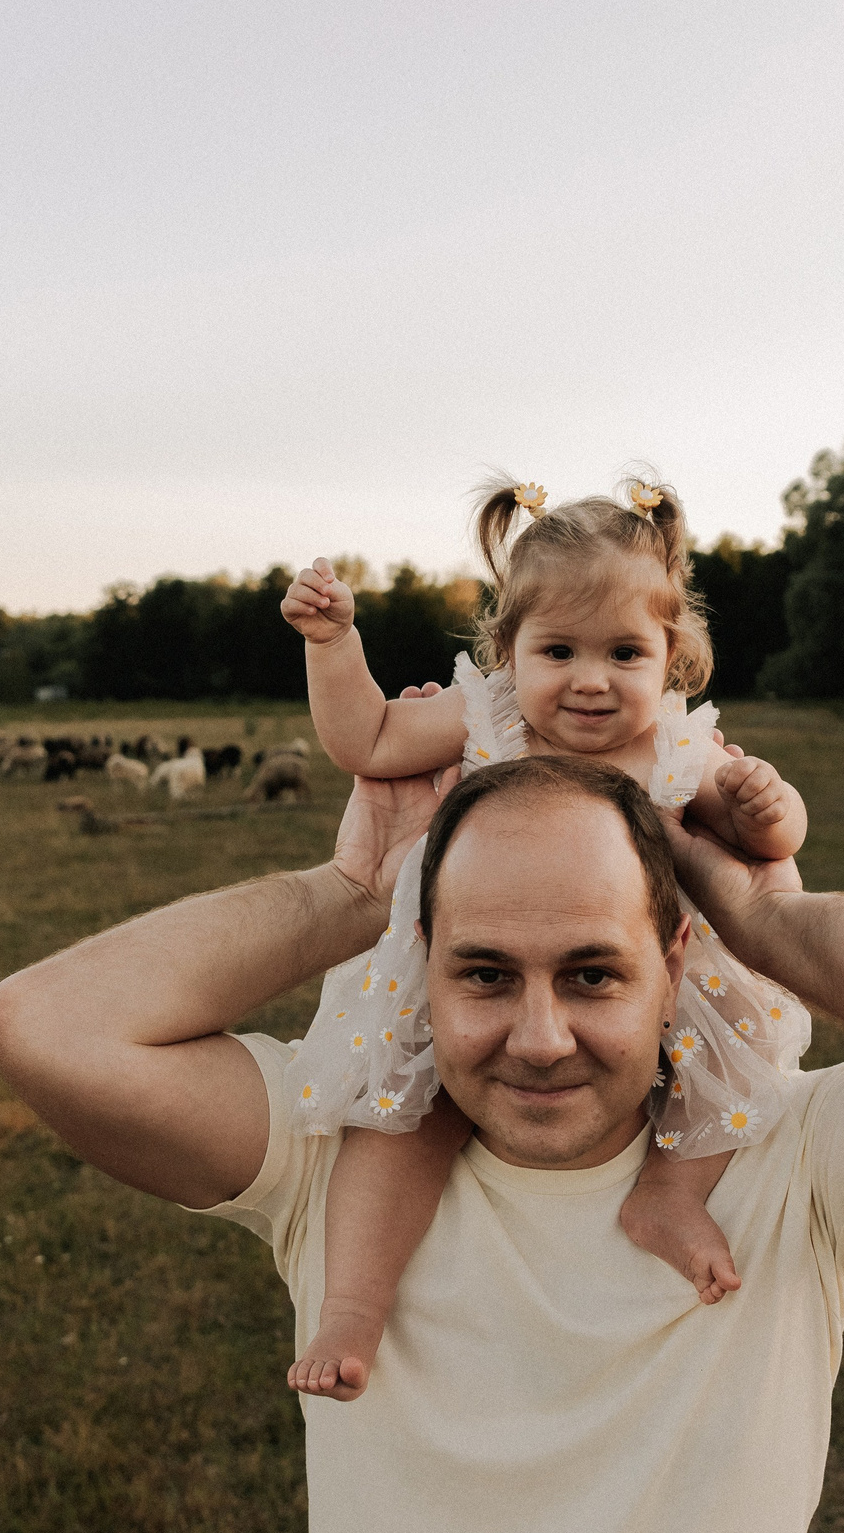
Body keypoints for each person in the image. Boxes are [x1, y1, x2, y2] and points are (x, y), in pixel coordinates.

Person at [0, 751, 844, 1533]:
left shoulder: (788, 1159)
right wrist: (351, 891)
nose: (538, 1038)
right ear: (422, 970)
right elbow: (44, 1026)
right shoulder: (335, 1157)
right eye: (485, 974)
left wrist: (771, 923)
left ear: (674, 971)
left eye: (593, 973)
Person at [276, 474, 809, 1401]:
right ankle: (353, 1301)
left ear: (672, 657)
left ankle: (672, 1192)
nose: (591, 679)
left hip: (656, 979)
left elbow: (766, 839)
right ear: (507, 652)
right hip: (479, 972)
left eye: (625, 652)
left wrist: (771, 807)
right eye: (558, 650)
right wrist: (334, 645)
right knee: (400, 1120)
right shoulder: (490, 718)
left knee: (744, 1055)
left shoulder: (680, 750)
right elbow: (369, 738)